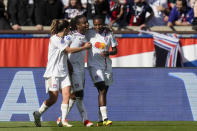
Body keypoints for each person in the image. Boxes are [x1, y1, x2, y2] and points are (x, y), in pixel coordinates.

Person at [33, 19, 91, 127]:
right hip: (53, 73)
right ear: (65, 29)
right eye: (68, 29)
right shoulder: (54, 39)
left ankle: (63, 120)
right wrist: (84, 47)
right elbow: (68, 50)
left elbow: (66, 51)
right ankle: (38, 113)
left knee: (66, 95)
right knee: (54, 98)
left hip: (64, 73)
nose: (69, 30)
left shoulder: (63, 39)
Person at [60, 15, 94, 127]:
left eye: (87, 22)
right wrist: (68, 65)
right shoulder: (71, 36)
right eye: (84, 23)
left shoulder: (87, 34)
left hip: (81, 68)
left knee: (76, 96)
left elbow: (100, 28)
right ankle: (85, 120)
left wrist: (108, 28)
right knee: (79, 94)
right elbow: (64, 51)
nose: (87, 24)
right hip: (73, 68)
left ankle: (61, 118)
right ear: (78, 25)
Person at [85, 15, 118, 126]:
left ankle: (99, 119)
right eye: (95, 25)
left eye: (99, 24)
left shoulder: (110, 34)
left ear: (103, 24)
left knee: (103, 92)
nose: (97, 27)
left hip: (107, 66)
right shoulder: (89, 33)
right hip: (94, 66)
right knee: (102, 89)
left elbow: (115, 50)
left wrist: (108, 53)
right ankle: (105, 119)